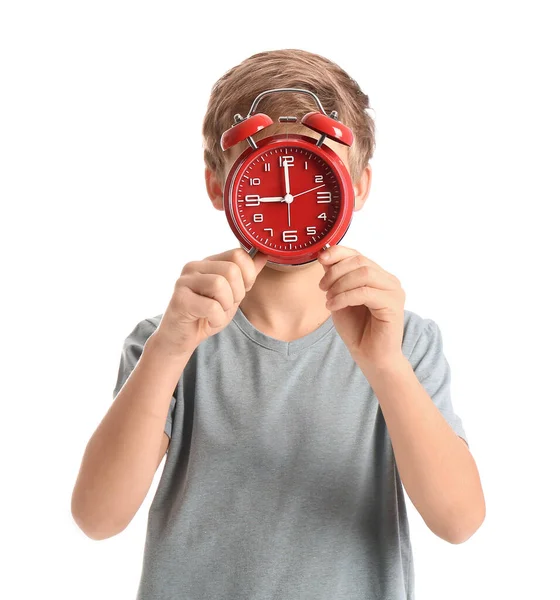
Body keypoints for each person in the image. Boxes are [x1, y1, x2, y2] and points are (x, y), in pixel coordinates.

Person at [71, 48, 485, 599]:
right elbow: (98, 518)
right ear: (221, 187)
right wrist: (169, 351)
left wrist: (384, 365)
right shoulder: (166, 339)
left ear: (356, 186)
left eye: (317, 174)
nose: (289, 196)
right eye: (263, 173)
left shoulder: (404, 341)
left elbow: (458, 522)